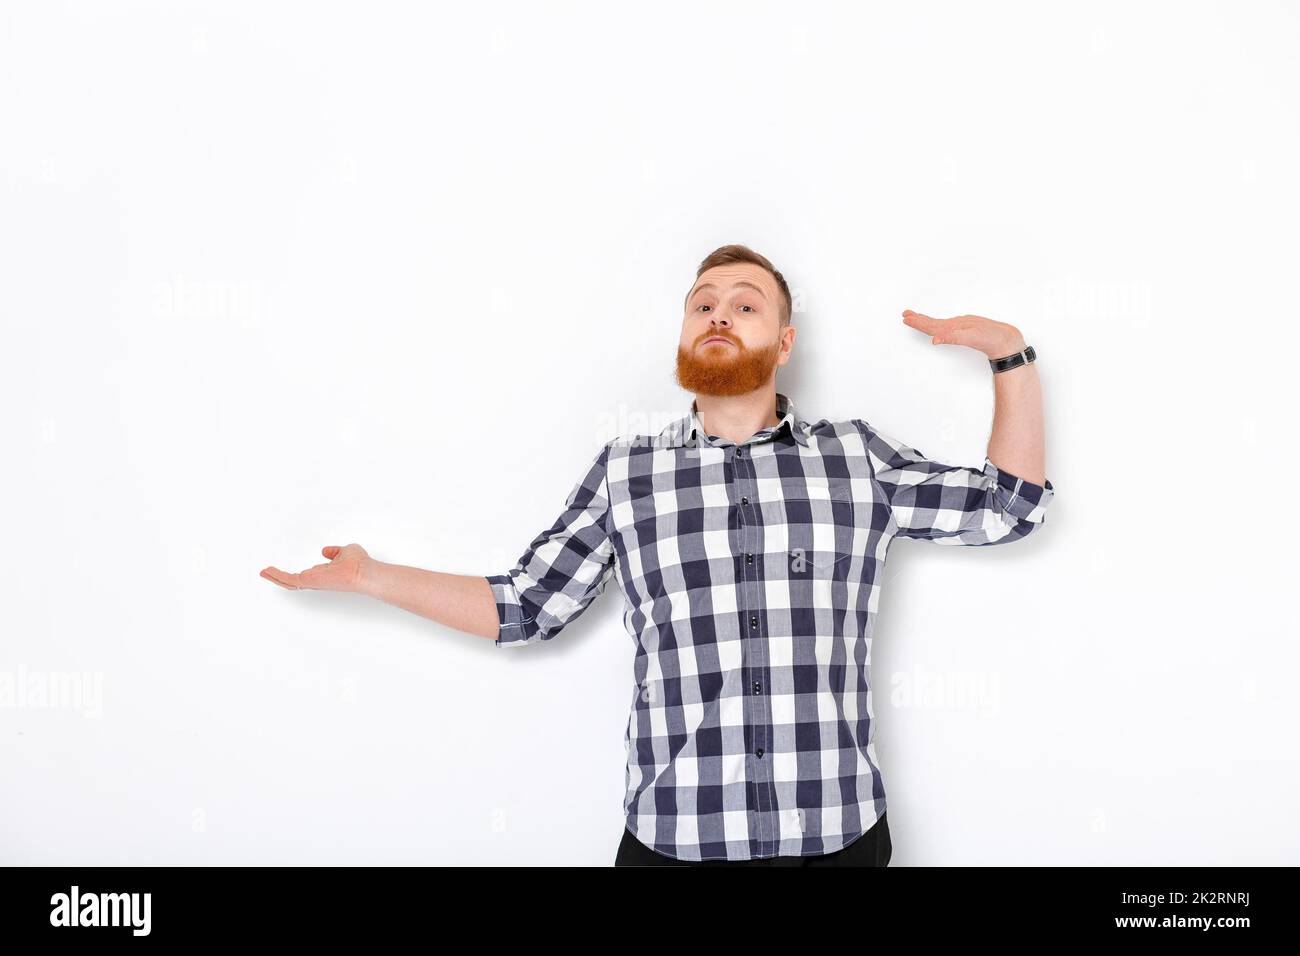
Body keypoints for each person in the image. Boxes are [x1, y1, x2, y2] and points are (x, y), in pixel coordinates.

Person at [260, 244, 1054, 866]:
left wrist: (1010, 357)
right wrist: (371, 576)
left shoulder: (856, 458)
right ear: (682, 333)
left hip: (838, 839)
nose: (719, 314)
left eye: (745, 305)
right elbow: (527, 606)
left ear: (782, 343)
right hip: (676, 841)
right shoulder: (627, 472)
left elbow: (1008, 510)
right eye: (702, 304)